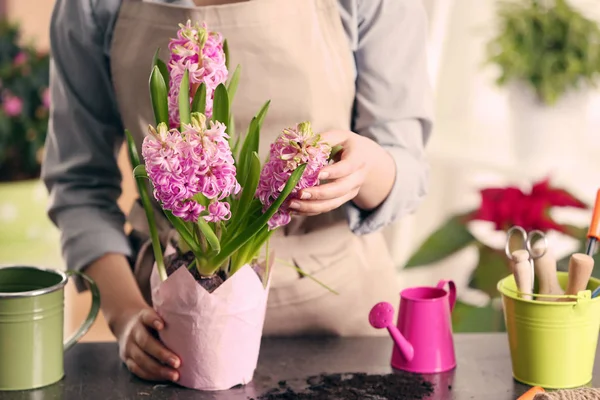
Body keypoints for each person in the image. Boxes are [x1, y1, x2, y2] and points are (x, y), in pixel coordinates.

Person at [43, 0, 433, 384]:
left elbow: (409, 166)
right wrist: (125, 315)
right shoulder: (91, 6)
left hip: (340, 333)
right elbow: (79, 185)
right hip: (172, 336)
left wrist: (366, 169)